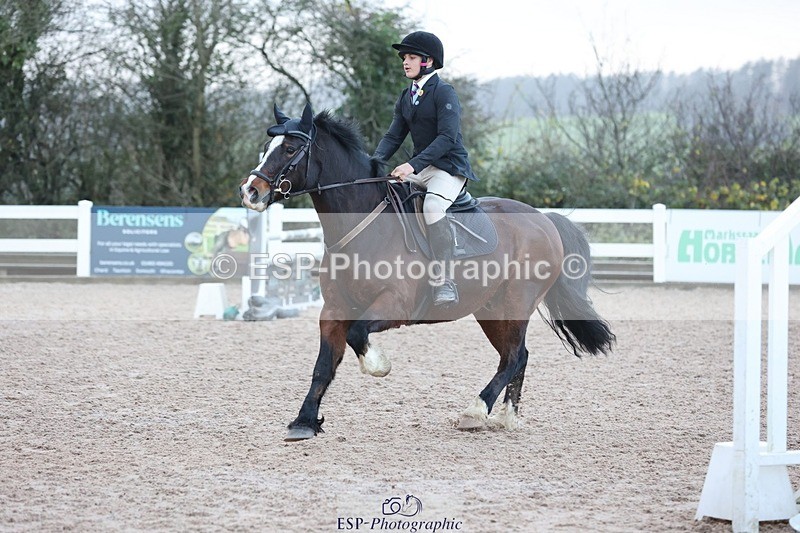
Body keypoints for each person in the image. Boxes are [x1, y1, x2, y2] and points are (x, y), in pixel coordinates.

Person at [373, 31, 478, 307]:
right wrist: (373, 164)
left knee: (432, 207)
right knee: (387, 193)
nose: (405, 62)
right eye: (404, 58)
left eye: (410, 57)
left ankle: (445, 280)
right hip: (422, 167)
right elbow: (393, 136)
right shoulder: (407, 96)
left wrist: (411, 165)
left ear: (427, 61)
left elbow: (447, 138)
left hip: (448, 168)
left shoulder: (444, 93)